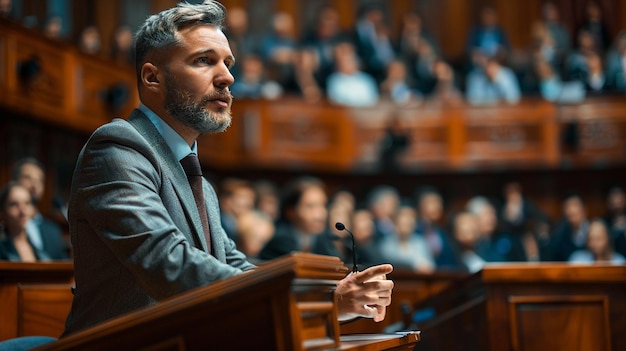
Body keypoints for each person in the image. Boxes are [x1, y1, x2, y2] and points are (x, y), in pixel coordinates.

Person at [62, 1, 393, 336]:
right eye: (204, 61)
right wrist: (325, 301)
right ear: (152, 77)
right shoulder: (117, 148)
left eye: (228, 63)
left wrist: (331, 299)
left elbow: (233, 267)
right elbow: (168, 264)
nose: (228, 77)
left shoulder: (199, 183)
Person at [12, 157, 69, 260]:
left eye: (39, 180)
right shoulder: (6, 227)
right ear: (14, 182)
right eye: (27, 177)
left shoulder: (53, 231)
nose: (34, 184)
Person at [0, 182, 51, 261]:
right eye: (14, 204)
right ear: (2, 211)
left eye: (27, 203)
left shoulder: (38, 241)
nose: (22, 211)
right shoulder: (2, 246)